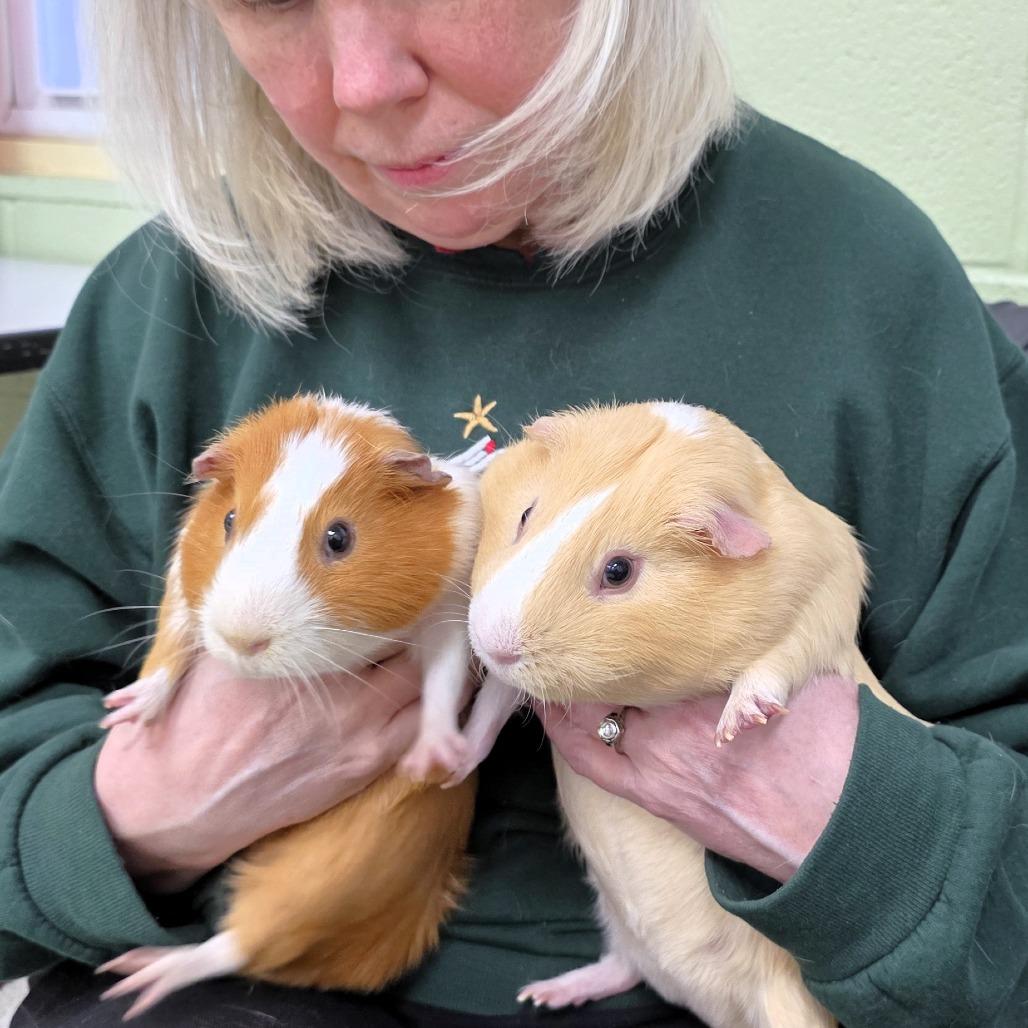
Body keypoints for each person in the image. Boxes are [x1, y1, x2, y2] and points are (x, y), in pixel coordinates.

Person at [1, 1, 1025, 1024]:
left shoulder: (869, 278)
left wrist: (848, 824)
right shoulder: (163, 298)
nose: (364, 81)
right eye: (270, 0)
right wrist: (144, 811)